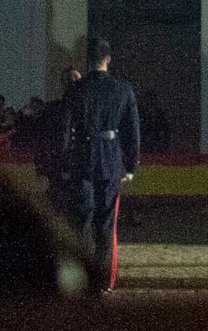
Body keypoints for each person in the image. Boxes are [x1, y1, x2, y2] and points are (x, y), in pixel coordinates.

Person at [53, 38, 143, 290]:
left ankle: (84, 276)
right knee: (105, 222)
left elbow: (63, 133)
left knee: (82, 220)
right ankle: (103, 280)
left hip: (82, 158)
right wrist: (130, 167)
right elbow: (132, 132)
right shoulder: (123, 90)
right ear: (108, 59)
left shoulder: (76, 90)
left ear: (87, 61)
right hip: (111, 160)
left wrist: (63, 164)